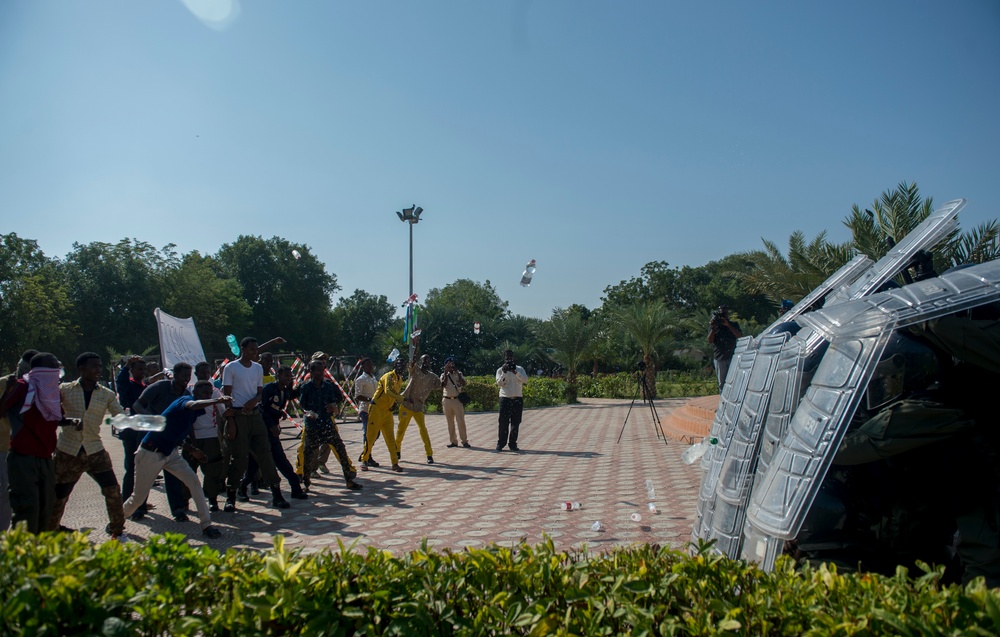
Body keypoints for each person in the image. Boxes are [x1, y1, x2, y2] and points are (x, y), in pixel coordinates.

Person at [121, 381, 231, 539]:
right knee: (137, 498)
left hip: (170, 453)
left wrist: (193, 450)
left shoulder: (195, 413)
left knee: (194, 482)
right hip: (150, 453)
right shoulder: (184, 401)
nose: (207, 396)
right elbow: (193, 404)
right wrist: (217, 400)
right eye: (204, 393)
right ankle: (116, 523)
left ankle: (206, 525)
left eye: (210, 393)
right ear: (196, 394)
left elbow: (175, 435)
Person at [48, 352, 128, 538]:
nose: (98, 370)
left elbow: (118, 415)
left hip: (95, 450)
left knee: (113, 491)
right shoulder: (65, 390)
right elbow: (52, 416)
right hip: (68, 451)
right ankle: (50, 531)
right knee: (60, 495)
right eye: (94, 366)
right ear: (81, 369)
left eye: (99, 366)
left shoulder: (106, 394)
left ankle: (117, 530)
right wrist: (68, 421)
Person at [0, 353, 81, 533]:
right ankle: (24, 554)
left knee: (46, 507)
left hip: (45, 457)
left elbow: (51, 417)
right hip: (23, 458)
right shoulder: (22, 388)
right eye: (54, 369)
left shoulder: (51, 393)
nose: (58, 373)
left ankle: (40, 551)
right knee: (27, 509)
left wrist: (71, 421)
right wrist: (7, 391)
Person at [221, 337, 289, 512]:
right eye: (252, 349)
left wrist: (254, 400)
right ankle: (231, 496)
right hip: (238, 415)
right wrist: (231, 422)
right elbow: (226, 396)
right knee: (239, 457)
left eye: (256, 349)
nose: (255, 352)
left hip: (255, 415)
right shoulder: (231, 368)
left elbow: (260, 393)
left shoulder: (258, 368)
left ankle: (277, 494)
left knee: (265, 454)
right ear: (243, 349)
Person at [132, 362, 195, 521]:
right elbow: (137, 405)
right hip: (150, 436)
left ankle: (177, 509)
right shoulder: (159, 387)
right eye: (183, 376)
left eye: (188, 376)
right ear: (174, 374)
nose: (186, 379)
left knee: (172, 475)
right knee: (145, 475)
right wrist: (153, 421)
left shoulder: (186, 395)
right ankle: (139, 508)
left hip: (169, 440)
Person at [243, 365, 308, 500]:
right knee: (263, 463)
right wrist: (272, 424)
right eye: (285, 376)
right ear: (278, 375)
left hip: (272, 431)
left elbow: (275, 408)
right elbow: (262, 409)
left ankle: (295, 488)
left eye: (290, 377)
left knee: (272, 461)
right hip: (262, 430)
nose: (288, 379)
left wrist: (281, 413)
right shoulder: (268, 389)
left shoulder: (283, 392)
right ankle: (242, 488)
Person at [298, 359, 362, 491]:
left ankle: (349, 481)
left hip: (327, 423)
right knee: (308, 453)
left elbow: (336, 398)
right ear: (311, 372)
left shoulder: (328, 385)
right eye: (318, 370)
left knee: (341, 449)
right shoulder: (305, 386)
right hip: (313, 425)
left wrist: (334, 406)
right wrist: (308, 412)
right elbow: (302, 404)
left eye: (323, 370)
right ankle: (306, 483)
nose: (321, 373)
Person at [183, 362, 230, 512]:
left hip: (210, 436)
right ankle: (185, 501)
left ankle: (212, 499)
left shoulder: (215, 391)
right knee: (188, 470)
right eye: (202, 373)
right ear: (196, 374)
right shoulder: (188, 391)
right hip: (191, 438)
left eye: (207, 372)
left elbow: (223, 412)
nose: (205, 375)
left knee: (212, 470)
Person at [0, 349, 37, 531]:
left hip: (29, 449)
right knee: (6, 493)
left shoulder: (38, 386)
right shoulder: (5, 383)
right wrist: (8, 390)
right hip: (4, 446)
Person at [115, 355, 151, 518]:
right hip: (131, 431)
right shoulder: (127, 385)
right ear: (132, 370)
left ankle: (140, 503)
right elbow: (120, 381)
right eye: (139, 369)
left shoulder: (144, 387)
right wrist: (126, 365)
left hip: (144, 431)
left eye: (144, 370)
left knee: (143, 469)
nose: (142, 372)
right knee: (131, 468)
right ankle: (128, 503)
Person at [396, 339, 439, 464]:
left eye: (428, 360)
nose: (426, 362)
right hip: (406, 404)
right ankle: (397, 450)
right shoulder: (415, 370)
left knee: (423, 430)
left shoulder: (432, 376)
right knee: (401, 430)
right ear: (420, 362)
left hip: (418, 406)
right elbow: (412, 361)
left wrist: (446, 372)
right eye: (424, 360)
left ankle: (429, 454)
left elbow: (441, 385)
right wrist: (416, 346)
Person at [360, 358, 405, 472]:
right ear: (395, 366)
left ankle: (395, 463)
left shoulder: (399, 379)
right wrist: (403, 399)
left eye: (402, 365)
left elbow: (394, 394)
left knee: (390, 439)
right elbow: (388, 391)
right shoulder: (388, 376)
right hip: (376, 409)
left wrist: (394, 403)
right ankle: (364, 460)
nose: (401, 367)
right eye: (398, 365)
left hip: (387, 412)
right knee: (371, 437)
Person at [495, 350, 529, 452]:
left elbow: (525, 380)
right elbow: (499, 384)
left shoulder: (519, 369)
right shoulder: (500, 370)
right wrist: (504, 373)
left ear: (513, 358)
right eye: (507, 358)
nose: (509, 360)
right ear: (504, 359)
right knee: (503, 422)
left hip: (517, 399)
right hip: (505, 399)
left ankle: (513, 444)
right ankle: (501, 443)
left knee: (516, 422)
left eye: (510, 358)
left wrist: (516, 372)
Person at [353, 358, 381, 467]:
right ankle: (367, 458)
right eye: (368, 365)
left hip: (376, 410)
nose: (370, 367)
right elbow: (357, 396)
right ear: (363, 367)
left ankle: (366, 452)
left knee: (376, 433)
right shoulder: (360, 379)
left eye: (371, 364)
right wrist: (370, 400)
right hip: (365, 409)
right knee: (368, 433)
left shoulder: (373, 377)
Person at [707, 305, 742, 392]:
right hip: (719, 358)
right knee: (722, 383)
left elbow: (739, 335)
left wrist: (728, 325)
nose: (723, 315)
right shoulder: (715, 326)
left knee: (734, 381)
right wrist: (713, 329)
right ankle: (723, 400)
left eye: (725, 313)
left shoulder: (733, 324)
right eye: (721, 313)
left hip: (732, 357)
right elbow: (710, 340)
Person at [440, 357, 470, 449]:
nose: (451, 366)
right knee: (450, 422)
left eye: (452, 364)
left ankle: (464, 441)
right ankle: (453, 441)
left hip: (457, 400)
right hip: (447, 400)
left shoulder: (459, 373)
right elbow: (443, 385)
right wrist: (446, 372)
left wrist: (457, 373)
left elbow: (463, 383)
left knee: (461, 421)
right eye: (449, 364)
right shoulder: (443, 375)